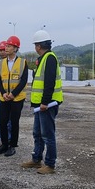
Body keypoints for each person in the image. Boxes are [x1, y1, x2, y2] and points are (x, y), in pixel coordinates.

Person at [21, 30, 63, 174]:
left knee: (48, 134)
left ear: (38, 46)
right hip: (41, 106)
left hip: (47, 105)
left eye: (35, 45)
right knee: (37, 133)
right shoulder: (44, 58)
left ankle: (50, 164)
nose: (35, 47)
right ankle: (36, 158)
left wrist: (45, 102)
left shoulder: (50, 58)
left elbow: (49, 83)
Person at [0, 35, 28, 157]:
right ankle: (4, 145)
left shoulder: (22, 63)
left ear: (15, 48)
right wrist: (4, 93)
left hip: (17, 98)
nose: (6, 48)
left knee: (14, 122)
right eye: (6, 46)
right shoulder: (0, 63)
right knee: (2, 122)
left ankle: (12, 145)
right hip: (4, 97)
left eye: (9, 46)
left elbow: (23, 81)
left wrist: (13, 94)